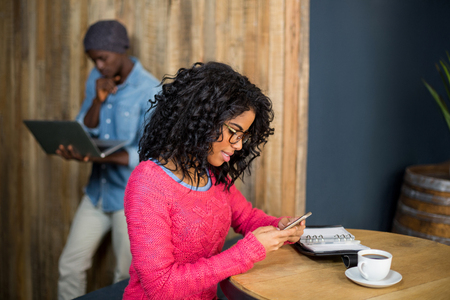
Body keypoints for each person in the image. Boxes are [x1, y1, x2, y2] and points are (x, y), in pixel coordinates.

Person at [123, 62, 306, 299]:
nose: (239, 145)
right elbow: (160, 286)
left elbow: (247, 218)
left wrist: (279, 226)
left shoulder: (211, 173)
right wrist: (247, 252)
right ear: (203, 119)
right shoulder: (148, 183)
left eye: (243, 136)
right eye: (234, 132)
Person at [55, 20, 160, 300]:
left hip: (129, 199)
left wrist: (99, 156)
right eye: (94, 59)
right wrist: (98, 101)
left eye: (104, 57)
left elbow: (149, 154)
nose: (99, 65)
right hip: (96, 192)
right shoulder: (96, 78)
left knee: (124, 277)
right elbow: (84, 127)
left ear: (122, 50)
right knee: (69, 265)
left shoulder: (150, 90)